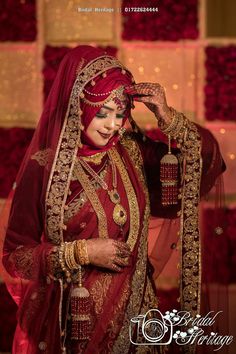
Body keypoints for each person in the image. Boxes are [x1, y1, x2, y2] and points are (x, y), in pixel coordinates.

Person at [1, 45, 226, 354]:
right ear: (79, 108)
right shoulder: (45, 168)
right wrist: (82, 251)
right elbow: (16, 257)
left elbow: (204, 160)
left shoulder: (131, 152)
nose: (112, 125)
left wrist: (166, 116)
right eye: (103, 113)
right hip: (72, 326)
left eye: (121, 114)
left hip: (137, 322)